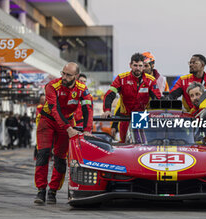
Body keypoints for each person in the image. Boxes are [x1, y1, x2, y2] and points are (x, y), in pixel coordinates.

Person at [34, 62, 93, 205]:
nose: (64, 77)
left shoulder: (82, 89)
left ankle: (53, 191)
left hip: (66, 122)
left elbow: (88, 109)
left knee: (60, 159)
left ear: (76, 76)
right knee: (43, 154)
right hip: (47, 121)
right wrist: (68, 128)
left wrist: (87, 130)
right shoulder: (51, 86)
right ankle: (41, 190)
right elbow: (54, 110)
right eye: (63, 73)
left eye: (68, 75)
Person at [102, 53, 161, 142]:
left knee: (140, 143)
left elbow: (157, 99)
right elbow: (110, 94)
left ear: (143, 66)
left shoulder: (151, 80)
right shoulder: (121, 78)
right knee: (124, 144)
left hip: (141, 116)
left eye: (140, 66)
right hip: (124, 117)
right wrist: (107, 110)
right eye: (135, 65)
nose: (138, 68)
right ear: (130, 65)